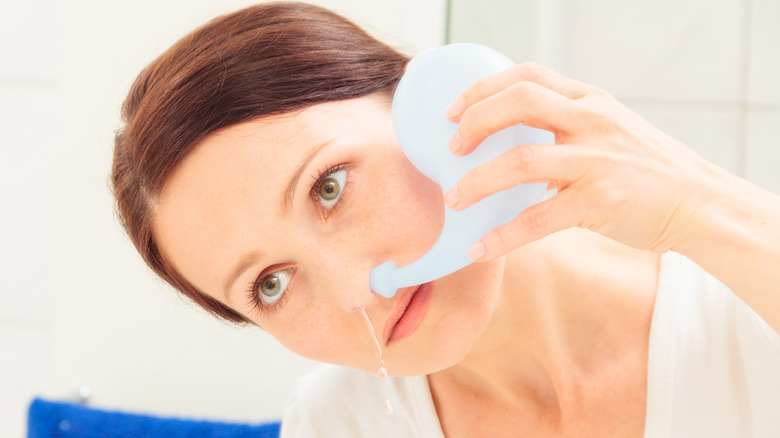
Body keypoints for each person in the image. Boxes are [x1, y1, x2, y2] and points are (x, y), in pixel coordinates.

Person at [111, 2, 780, 437]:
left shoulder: (743, 307)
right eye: (271, 285)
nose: (356, 292)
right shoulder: (334, 425)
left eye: (329, 187)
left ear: (429, 101)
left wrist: (700, 206)